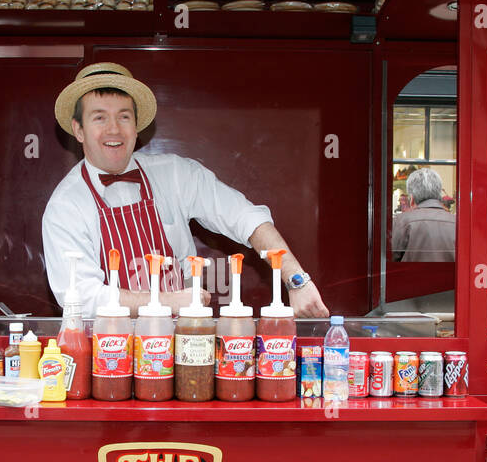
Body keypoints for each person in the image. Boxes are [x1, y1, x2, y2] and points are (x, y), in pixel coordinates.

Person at [42, 62, 330, 317]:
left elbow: (246, 217)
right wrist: (165, 301)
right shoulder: (66, 205)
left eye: (124, 116)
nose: (114, 129)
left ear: (136, 126)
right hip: (107, 357)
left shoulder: (176, 174)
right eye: (99, 117)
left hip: (182, 346)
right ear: (78, 130)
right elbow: (80, 297)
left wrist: (297, 280)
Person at [391, 167, 456, 262]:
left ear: (412, 198)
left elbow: (391, 258)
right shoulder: (456, 222)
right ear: (439, 193)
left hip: (411, 276)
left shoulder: (401, 221)